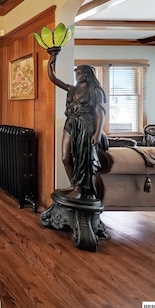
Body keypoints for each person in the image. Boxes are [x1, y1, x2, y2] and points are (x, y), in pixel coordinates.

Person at [47, 52, 108, 199]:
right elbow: (53, 78)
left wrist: (97, 133)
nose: (77, 75)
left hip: (85, 125)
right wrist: (51, 60)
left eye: (79, 72)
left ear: (87, 74)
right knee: (65, 157)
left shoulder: (95, 91)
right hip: (71, 124)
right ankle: (73, 184)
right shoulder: (71, 89)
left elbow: (100, 113)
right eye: (76, 72)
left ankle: (81, 189)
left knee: (82, 160)